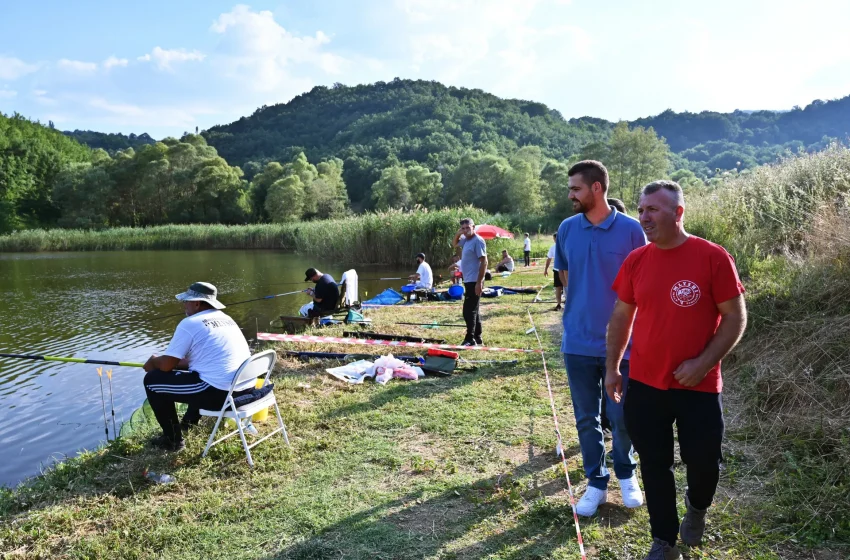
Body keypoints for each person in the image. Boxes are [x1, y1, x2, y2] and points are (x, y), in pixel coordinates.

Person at [606, 180, 747, 560]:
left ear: (677, 213)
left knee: (704, 464)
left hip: (698, 385)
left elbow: (735, 317)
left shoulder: (712, 257)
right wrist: (613, 367)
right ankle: (664, 540)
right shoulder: (636, 261)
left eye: (653, 209)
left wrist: (703, 363)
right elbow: (621, 317)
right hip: (647, 384)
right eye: (641, 209)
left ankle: (697, 508)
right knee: (654, 465)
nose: (644, 217)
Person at [554, 160, 647, 517]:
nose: (570, 195)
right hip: (576, 342)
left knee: (622, 416)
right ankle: (595, 482)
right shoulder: (566, 229)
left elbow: (641, 286)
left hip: (622, 344)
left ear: (596, 188)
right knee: (585, 418)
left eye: (575, 188)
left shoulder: (631, 231)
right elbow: (565, 275)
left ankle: (626, 473)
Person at [143, 282, 252, 451]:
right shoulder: (226, 318)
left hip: (222, 395)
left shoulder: (190, 323)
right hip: (245, 388)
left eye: (186, 301)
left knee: (152, 381)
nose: (183, 305)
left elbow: (165, 366)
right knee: (196, 373)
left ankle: (173, 441)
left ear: (197, 303)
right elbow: (202, 362)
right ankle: (189, 423)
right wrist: (170, 363)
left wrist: (153, 361)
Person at [453, 217, 487, 346]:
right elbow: (454, 244)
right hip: (468, 279)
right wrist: (458, 234)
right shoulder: (466, 240)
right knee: (474, 310)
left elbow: (484, 261)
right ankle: (477, 337)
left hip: (474, 280)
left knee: (468, 311)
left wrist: (479, 282)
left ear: (473, 227)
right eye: (463, 228)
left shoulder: (477, 241)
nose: (466, 230)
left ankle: (469, 338)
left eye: (468, 227)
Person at [543, 233, 562, 311]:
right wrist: (546, 269)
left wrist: (546, 269)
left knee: (560, 287)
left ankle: (560, 304)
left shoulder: (554, 247)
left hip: (563, 270)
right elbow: (549, 259)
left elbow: (549, 259)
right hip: (560, 270)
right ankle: (560, 304)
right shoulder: (554, 247)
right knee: (561, 287)